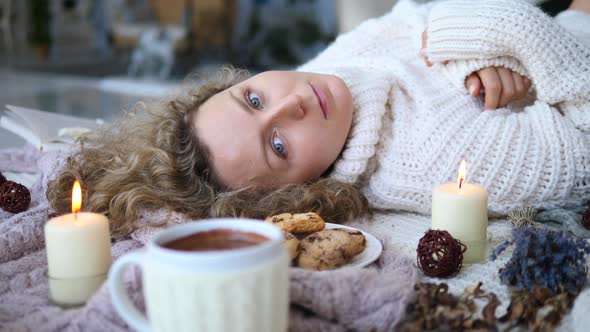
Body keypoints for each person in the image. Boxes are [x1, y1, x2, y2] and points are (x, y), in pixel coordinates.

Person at [47, 0, 590, 239]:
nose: (294, 103)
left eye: (253, 100)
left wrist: (474, 49)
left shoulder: (321, 77)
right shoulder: (426, 159)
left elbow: (409, 16)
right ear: (300, 193)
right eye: (279, 146)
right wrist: (477, 38)